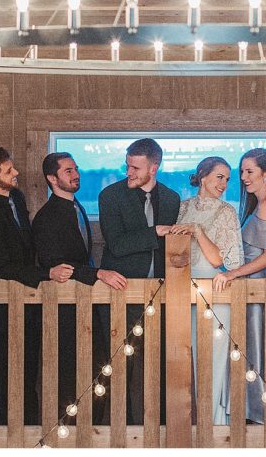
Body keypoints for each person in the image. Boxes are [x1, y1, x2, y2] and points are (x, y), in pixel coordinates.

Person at [33, 152, 127, 422]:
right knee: (69, 372)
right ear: (52, 178)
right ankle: (71, 432)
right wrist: (99, 273)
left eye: (76, 169)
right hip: (63, 309)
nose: (76, 175)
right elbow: (55, 263)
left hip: (87, 305)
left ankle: (93, 428)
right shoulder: (47, 217)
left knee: (97, 369)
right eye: (68, 171)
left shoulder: (77, 207)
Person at [98, 138, 180, 424]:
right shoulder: (110, 195)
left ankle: (157, 427)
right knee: (119, 366)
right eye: (127, 165)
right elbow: (117, 245)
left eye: (135, 167)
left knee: (159, 365)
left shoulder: (171, 198)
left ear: (154, 168)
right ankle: (121, 428)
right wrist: (155, 232)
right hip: (120, 294)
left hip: (160, 295)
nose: (128, 171)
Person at [161, 156, 243, 426]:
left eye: (228, 179)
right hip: (182, 290)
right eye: (220, 177)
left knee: (213, 359)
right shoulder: (182, 208)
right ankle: (189, 425)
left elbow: (222, 260)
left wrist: (197, 231)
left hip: (213, 290)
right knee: (183, 361)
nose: (224, 183)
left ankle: (215, 424)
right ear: (203, 176)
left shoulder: (227, 211)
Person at [0, 147, 47, 425]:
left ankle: (29, 427)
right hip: (4, 302)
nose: (15, 173)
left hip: (28, 298)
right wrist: (43, 274)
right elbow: (1, 263)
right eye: (8, 171)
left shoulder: (16, 196)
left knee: (28, 370)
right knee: (5, 370)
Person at [213, 148, 266, 424]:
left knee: (254, 350)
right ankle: (248, 410)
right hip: (250, 284)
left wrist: (232, 274)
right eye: (241, 171)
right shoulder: (261, 202)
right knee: (249, 350)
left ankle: (257, 413)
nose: (243, 177)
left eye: (249, 171)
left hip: (257, 284)